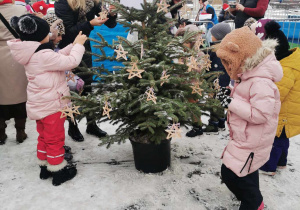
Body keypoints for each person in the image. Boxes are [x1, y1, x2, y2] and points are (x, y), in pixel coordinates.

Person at [8, 14, 86, 186]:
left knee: (44, 138)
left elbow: (57, 56)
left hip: (40, 106)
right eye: (47, 32)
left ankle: (45, 167)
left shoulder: (33, 52)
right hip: (52, 107)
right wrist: (79, 46)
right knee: (55, 139)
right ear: (38, 34)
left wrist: (73, 45)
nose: (50, 34)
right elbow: (71, 61)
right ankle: (58, 170)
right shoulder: (43, 56)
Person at [216, 26, 283, 209]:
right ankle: (251, 199)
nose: (228, 67)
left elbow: (260, 114)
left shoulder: (260, 81)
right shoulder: (248, 75)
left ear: (243, 56)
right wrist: (229, 94)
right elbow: (246, 99)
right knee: (247, 170)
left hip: (252, 139)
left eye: (230, 62)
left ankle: (254, 203)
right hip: (245, 136)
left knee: (231, 173)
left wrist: (230, 103)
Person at [55, 0, 117, 141]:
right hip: (67, 50)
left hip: (84, 47)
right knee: (71, 90)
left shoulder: (92, 2)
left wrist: (112, 14)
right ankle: (72, 126)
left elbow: (110, 23)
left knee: (88, 86)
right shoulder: (62, 3)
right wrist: (90, 24)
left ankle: (91, 124)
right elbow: (68, 32)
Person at [259, 21, 300, 176]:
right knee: (283, 139)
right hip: (291, 109)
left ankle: (269, 167)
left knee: (276, 139)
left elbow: (278, 94)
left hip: (285, 112)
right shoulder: (293, 60)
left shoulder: (286, 69)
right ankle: (282, 163)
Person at [0, 0, 28, 145]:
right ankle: (20, 131)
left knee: (1, 95)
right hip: (17, 55)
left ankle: (1, 133)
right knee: (20, 94)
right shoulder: (21, 9)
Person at [203, 22, 231, 134]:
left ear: (219, 36)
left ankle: (213, 124)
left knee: (213, 102)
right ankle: (221, 121)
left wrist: (207, 79)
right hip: (224, 81)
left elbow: (213, 68)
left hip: (215, 81)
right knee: (221, 101)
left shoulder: (216, 50)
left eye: (213, 34)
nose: (211, 35)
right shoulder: (226, 48)